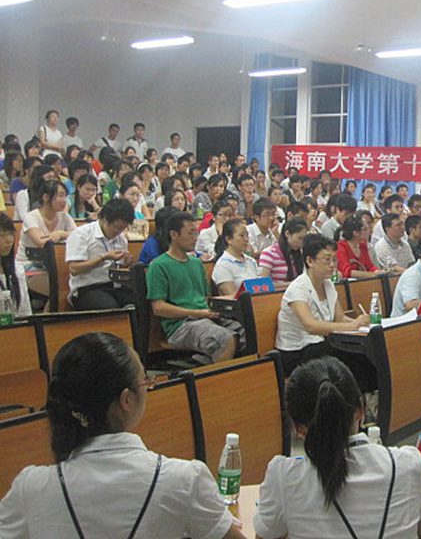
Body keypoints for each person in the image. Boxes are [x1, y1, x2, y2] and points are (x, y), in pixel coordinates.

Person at [0, 332, 245, 538]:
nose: (148, 386)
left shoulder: (31, 487)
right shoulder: (184, 479)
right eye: (145, 380)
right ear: (126, 399)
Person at [254, 356, 421, 539]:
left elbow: (266, 536)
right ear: (360, 410)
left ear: (298, 428)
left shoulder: (284, 478)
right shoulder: (407, 464)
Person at [147, 212, 241, 363]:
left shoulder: (196, 263)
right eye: (190, 233)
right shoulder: (158, 265)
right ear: (173, 234)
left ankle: (205, 362)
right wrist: (197, 313)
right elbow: (158, 308)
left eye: (196, 233)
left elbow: (205, 298)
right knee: (224, 339)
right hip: (181, 325)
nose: (195, 237)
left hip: (205, 317)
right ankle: (216, 375)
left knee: (247, 333)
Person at [276, 234, 371, 379]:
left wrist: (361, 323)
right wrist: (352, 326)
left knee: (365, 350)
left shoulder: (328, 284)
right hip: (297, 351)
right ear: (310, 261)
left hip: (320, 343)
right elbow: (311, 326)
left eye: (334, 259)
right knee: (346, 356)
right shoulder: (298, 288)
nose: (332, 265)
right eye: (327, 259)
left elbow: (339, 318)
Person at [66, 199, 136, 310]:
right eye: (117, 227)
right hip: (87, 288)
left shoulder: (121, 240)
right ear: (105, 219)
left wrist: (126, 263)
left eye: (123, 228)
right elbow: (74, 269)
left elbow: (118, 268)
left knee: (139, 301)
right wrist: (104, 257)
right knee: (110, 308)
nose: (118, 231)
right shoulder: (81, 234)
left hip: (114, 286)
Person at [18, 180, 76, 297]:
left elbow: (79, 236)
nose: (65, 200)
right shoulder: (31, 217)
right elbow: (41, 242)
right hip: (29, 266)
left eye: (65, 196)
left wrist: (62, 234)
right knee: (61, 288)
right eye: (61, 196)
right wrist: (63, 235)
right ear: (45, 197)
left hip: (54, 266)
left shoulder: (64, 216)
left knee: (70, 285)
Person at [212, 219, 260, 296]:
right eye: (242, 236)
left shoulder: (251, 261)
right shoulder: (222, 265)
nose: (246, 239)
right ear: (228, 239)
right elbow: (232, 296)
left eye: (247, 235)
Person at [258, 218, 307, 289]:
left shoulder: (302, 253)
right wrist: (292, 284)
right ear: (287, 234)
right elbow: (263, 284)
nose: (302, 243)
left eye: (304, 239)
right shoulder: (269, 254)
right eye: (299, 238)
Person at [0, 213, 32, 317]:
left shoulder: (17, 269)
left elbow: (25, 311)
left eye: (10, 234)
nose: (9, 240)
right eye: (1, 235)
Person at [336, 214, 382, 280]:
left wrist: (380, 272)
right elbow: (347, 272)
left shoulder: (362, 246)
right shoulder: (341, 247)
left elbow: (370, 267)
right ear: (355, 233)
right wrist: (374, 275)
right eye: (365, 229)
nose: (369, 231)